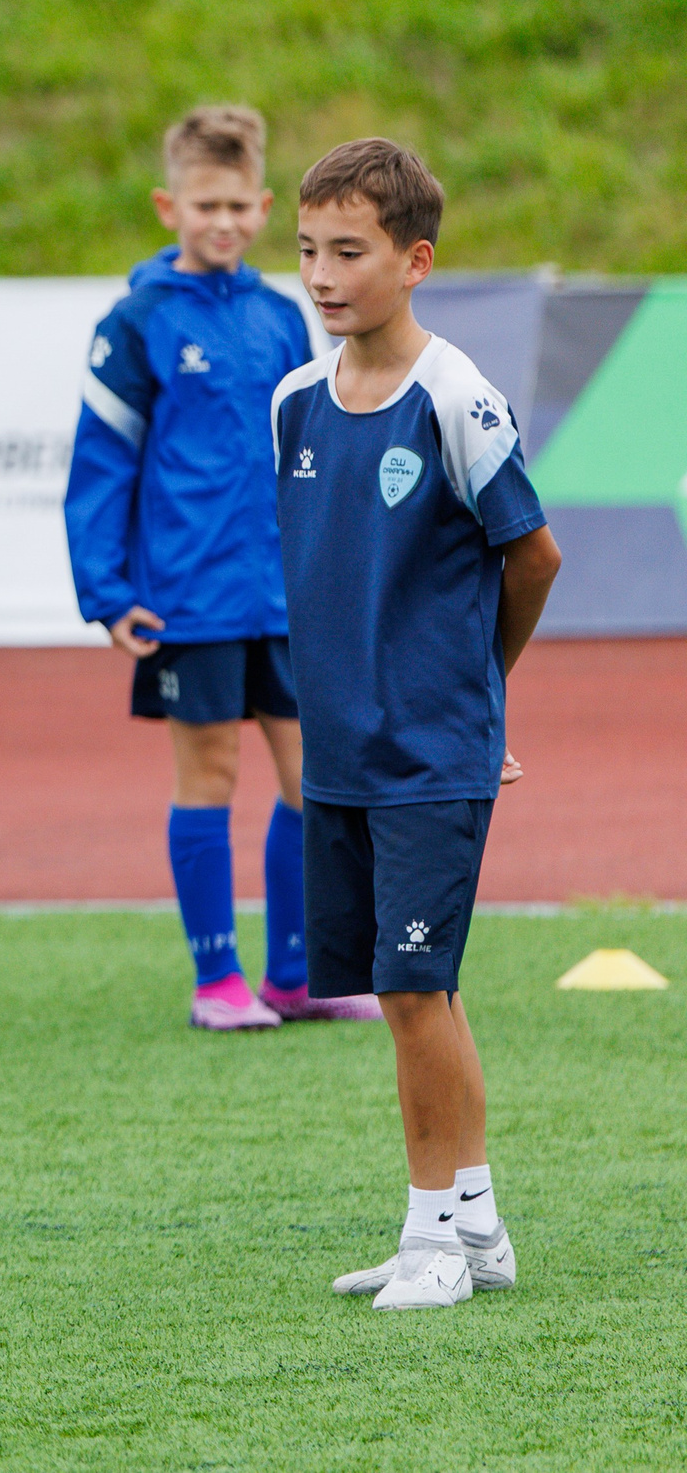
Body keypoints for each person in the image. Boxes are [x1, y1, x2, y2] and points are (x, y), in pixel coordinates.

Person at [271, 138, 559, 1309]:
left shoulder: (454, 396)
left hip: (431, 750)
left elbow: (532, 555)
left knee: (409, 988)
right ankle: (470, 1225)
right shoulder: (292, 399)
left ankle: (432, 1237)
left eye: (350, 251)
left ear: (415, 260)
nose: (324, 274)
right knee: (412, 994)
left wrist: (478, 689)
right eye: (307, 251)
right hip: (337, 748)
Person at [63, 106, 382, 1031]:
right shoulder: (136, 321)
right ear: (169, 204)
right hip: (186, 599)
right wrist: (107, 591)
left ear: (265, 205)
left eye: (240, 206)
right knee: (208, 774)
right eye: (205, 204)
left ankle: (297, 973)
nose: (223, 222)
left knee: (310, 776)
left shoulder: (283, 318)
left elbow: (312, 451)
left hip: (284, 595)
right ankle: (216, 981)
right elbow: (101, 462)